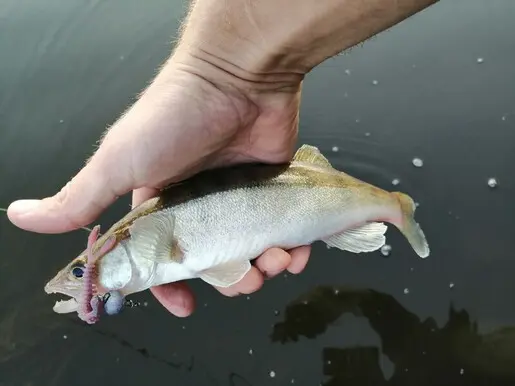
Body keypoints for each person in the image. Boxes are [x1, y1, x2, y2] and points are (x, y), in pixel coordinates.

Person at [6, 0, 439, 317]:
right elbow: (225, 268)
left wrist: (223, 72)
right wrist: (226, 69)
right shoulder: (152, 241)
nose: (80, 279)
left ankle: (394, 208)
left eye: (82, 271)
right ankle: (391, 208)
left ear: (130, 246)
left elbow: (225, 268)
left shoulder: (154, 238)